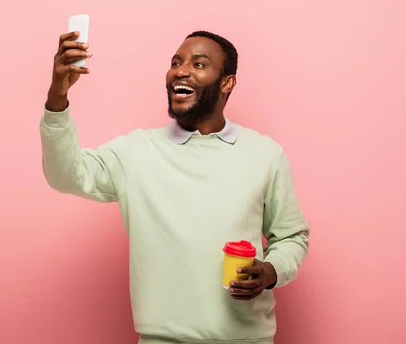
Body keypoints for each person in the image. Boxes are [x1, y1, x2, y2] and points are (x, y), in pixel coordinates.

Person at [39, 29, 309, 344]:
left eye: (198, 64)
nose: (180, 71)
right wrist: (57, 95)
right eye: (176, 62)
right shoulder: (135, 151)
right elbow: (65, 174)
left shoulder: (265, 154)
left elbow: (292, 237)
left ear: (227, 82)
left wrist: (271, 271)